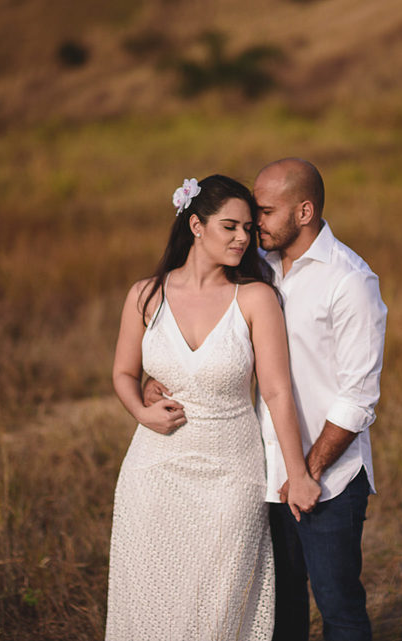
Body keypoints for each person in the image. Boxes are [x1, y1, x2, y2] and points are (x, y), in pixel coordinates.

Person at [147, 159, 387, 641]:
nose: (254, 223)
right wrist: (157, 378)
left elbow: (358, 399)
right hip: (262, 473)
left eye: (266, 212)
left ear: (304, 212)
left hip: (328, 480)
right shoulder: (258, 266)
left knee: (338, 607)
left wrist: (306, 474)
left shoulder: (349, 280)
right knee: (280, 609)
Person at [105, 174, 322, 641]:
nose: (243, 238)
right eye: (230, 226)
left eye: (248, 228)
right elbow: (123, 373)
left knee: (219, 606)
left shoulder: (256, 298)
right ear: (196, 225)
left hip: (232, 476)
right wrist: (141, 411)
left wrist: (297, 474)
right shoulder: (145, 295)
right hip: (153, 473)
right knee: (151, 599)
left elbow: (277, 392)